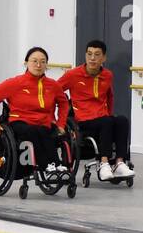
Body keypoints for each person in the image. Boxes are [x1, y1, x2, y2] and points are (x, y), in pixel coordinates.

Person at [0, 46, 69, 175]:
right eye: (34, 61)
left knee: (46, 131)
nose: (38, 65)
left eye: (43, 61)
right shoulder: (15, 83)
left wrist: (61, 123)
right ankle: (48, 165)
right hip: (20, 122)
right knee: (34, 131)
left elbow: (64, 103)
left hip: (44, 124)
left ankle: (55, 164)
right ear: (26, 63)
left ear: (46, 65)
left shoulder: (53, 85)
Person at [58, 40, 135, 181]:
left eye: (97, 55)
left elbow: (109, 96)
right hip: (82, 122)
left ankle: (119, 163)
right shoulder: (73, 75)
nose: (92, 58)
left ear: (104, 58)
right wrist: (63, 104)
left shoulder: (107, 75)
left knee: (122, 120)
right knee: (107, 122)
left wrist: (110, 115)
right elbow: (55, 90)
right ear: (85, 55)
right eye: (89, 54)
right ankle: (103, 163)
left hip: (102, 119)